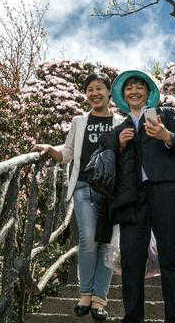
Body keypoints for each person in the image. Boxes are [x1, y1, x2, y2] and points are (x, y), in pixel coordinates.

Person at [106, 70, 175, 323]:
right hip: (132, 199)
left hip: (167, 190)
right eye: (128, 88)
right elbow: (108, 163)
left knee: (171, 257)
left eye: (139, 87)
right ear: (123, 96)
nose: (134, 91)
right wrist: (118, 145)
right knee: (131, 262)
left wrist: (166, 135)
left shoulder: (165, 115)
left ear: (148, 92)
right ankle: (132, 318)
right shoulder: (119, 128)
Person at [33, 73, 118, 319]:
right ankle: (85, 294)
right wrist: (51, 149)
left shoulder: (120, 121)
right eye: (90, 89)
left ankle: (99, 300)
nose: (95, 93)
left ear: (109, 92)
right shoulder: (79, 121)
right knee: (88, 239)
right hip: (83, 187)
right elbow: (68, 152)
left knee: (108, 244)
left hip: (111, 192)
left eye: (99, 88)